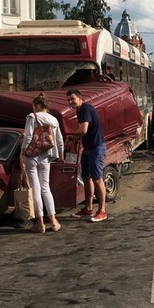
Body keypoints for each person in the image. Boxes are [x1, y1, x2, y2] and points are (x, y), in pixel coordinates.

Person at [19, 93, 64, 232]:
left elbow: (27, 137)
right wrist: (61, 155)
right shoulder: (53, 119)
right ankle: (54, 221)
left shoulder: (33, 117)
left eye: (33, 106)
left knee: (36, 190)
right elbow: (59, 139)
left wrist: (22, 154)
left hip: (31, 156)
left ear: (37, 106)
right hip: (46, 156)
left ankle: (40, 223)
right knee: (46, 188)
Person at [66, 88, 108, 222]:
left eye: (72, 99)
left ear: (80, 98)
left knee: (97, 179)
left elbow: (83, 129)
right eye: (68, 100)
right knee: (86, 177)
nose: (70, 102)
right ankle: (88, 209)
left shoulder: (85, 109)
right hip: (88, 148)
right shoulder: (79, 111)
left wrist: (71, 137)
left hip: (96, 148)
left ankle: (102, 211)